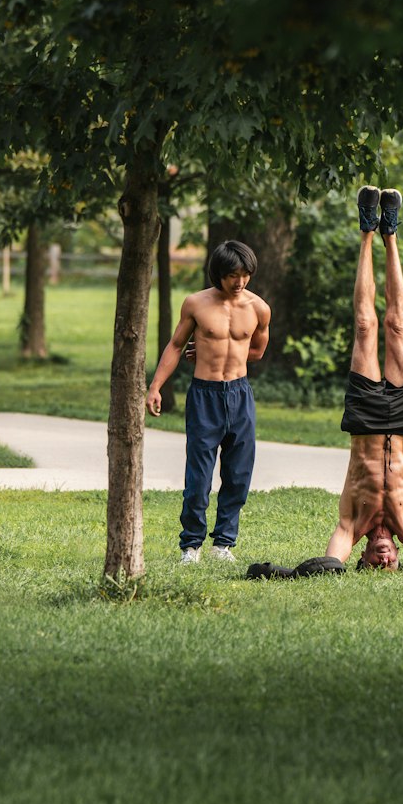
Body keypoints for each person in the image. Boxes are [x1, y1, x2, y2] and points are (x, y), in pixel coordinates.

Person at [324, 187, 403, 571]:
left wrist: (327, 569)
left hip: (365, 421)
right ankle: (390, 234)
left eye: (375, 565)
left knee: (364, 326)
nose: (383, 559)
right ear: (398, 556)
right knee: (396, 325)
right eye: (390, 564)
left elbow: (335, 551)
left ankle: (366, 232)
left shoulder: (354, 526)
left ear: (363, 556)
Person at [146, 239, 271, 565]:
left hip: (240, 395)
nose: (239, 282)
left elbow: (256, 351)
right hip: (204, 395)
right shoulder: (196, 304)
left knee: (238, 474)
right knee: (198, 476)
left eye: (245, 274)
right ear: (218, 273)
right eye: (232, 275)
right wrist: (156, 386)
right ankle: (191, 546)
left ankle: (223, 544)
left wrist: (224, 353)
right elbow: (175, 345)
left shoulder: (259, 308)